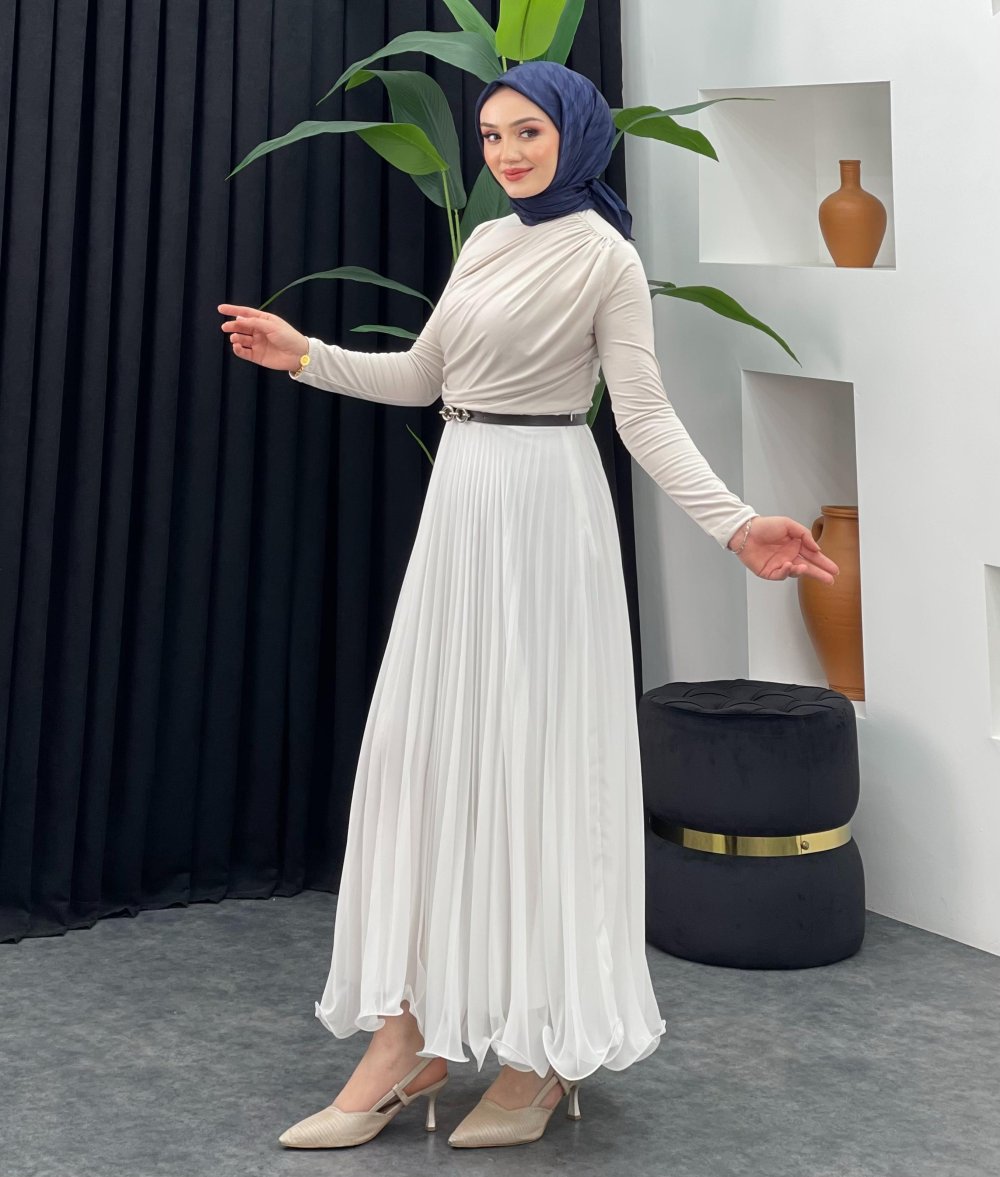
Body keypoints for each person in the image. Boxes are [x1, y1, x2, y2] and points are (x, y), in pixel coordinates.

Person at [218, 60, 839, 1152]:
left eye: (527, 133)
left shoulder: (605, 257)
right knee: (427, 761)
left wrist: (737, 523)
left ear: (576, 137)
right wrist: (303, 355)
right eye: (492, 135)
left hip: (548, 515)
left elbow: (642, 417)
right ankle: (408, 1035)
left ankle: (541, 1051)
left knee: (536, 769)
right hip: (462, 509)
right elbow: (425, 379)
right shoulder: (487, 243)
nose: (504, 154)